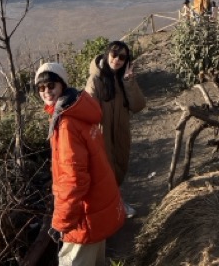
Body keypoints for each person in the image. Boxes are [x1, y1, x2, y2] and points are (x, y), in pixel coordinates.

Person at [35, 62, 125, 266]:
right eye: (41, 88)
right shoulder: (81, 111)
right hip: (98, 205)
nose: (46, 92)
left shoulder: (66, 124)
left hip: (84, 216)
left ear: (62, 85)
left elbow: (73, 179)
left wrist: (61, 223)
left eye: (51, 86)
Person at [85, 41, 146, 219]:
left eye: (122, 57)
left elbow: (138, 106)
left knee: (119, 166)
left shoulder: (123, 79)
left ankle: (114, 204)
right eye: (114, 54)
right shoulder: (95, 80)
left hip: (120, 131)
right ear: (107, 54)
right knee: (105, 171)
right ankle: (112, 207)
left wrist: (129, 82)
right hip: (102, 134)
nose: (117, 60)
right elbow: (89, 112)